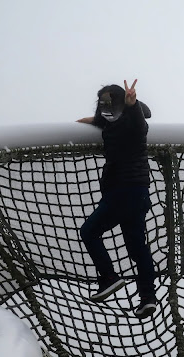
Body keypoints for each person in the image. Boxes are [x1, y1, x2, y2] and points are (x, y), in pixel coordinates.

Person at [76, 79, 157, 319]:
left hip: (123, 191)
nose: (106, 106)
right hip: (136, 192)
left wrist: (132, 104)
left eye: (112, 100)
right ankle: (147, 298)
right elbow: (105, 119)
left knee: (89, 231)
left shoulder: (133, 120)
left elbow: (141, 123)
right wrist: (89, 121)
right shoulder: (113, 121)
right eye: (104, 102)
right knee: (137, 249)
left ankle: (109, 278)